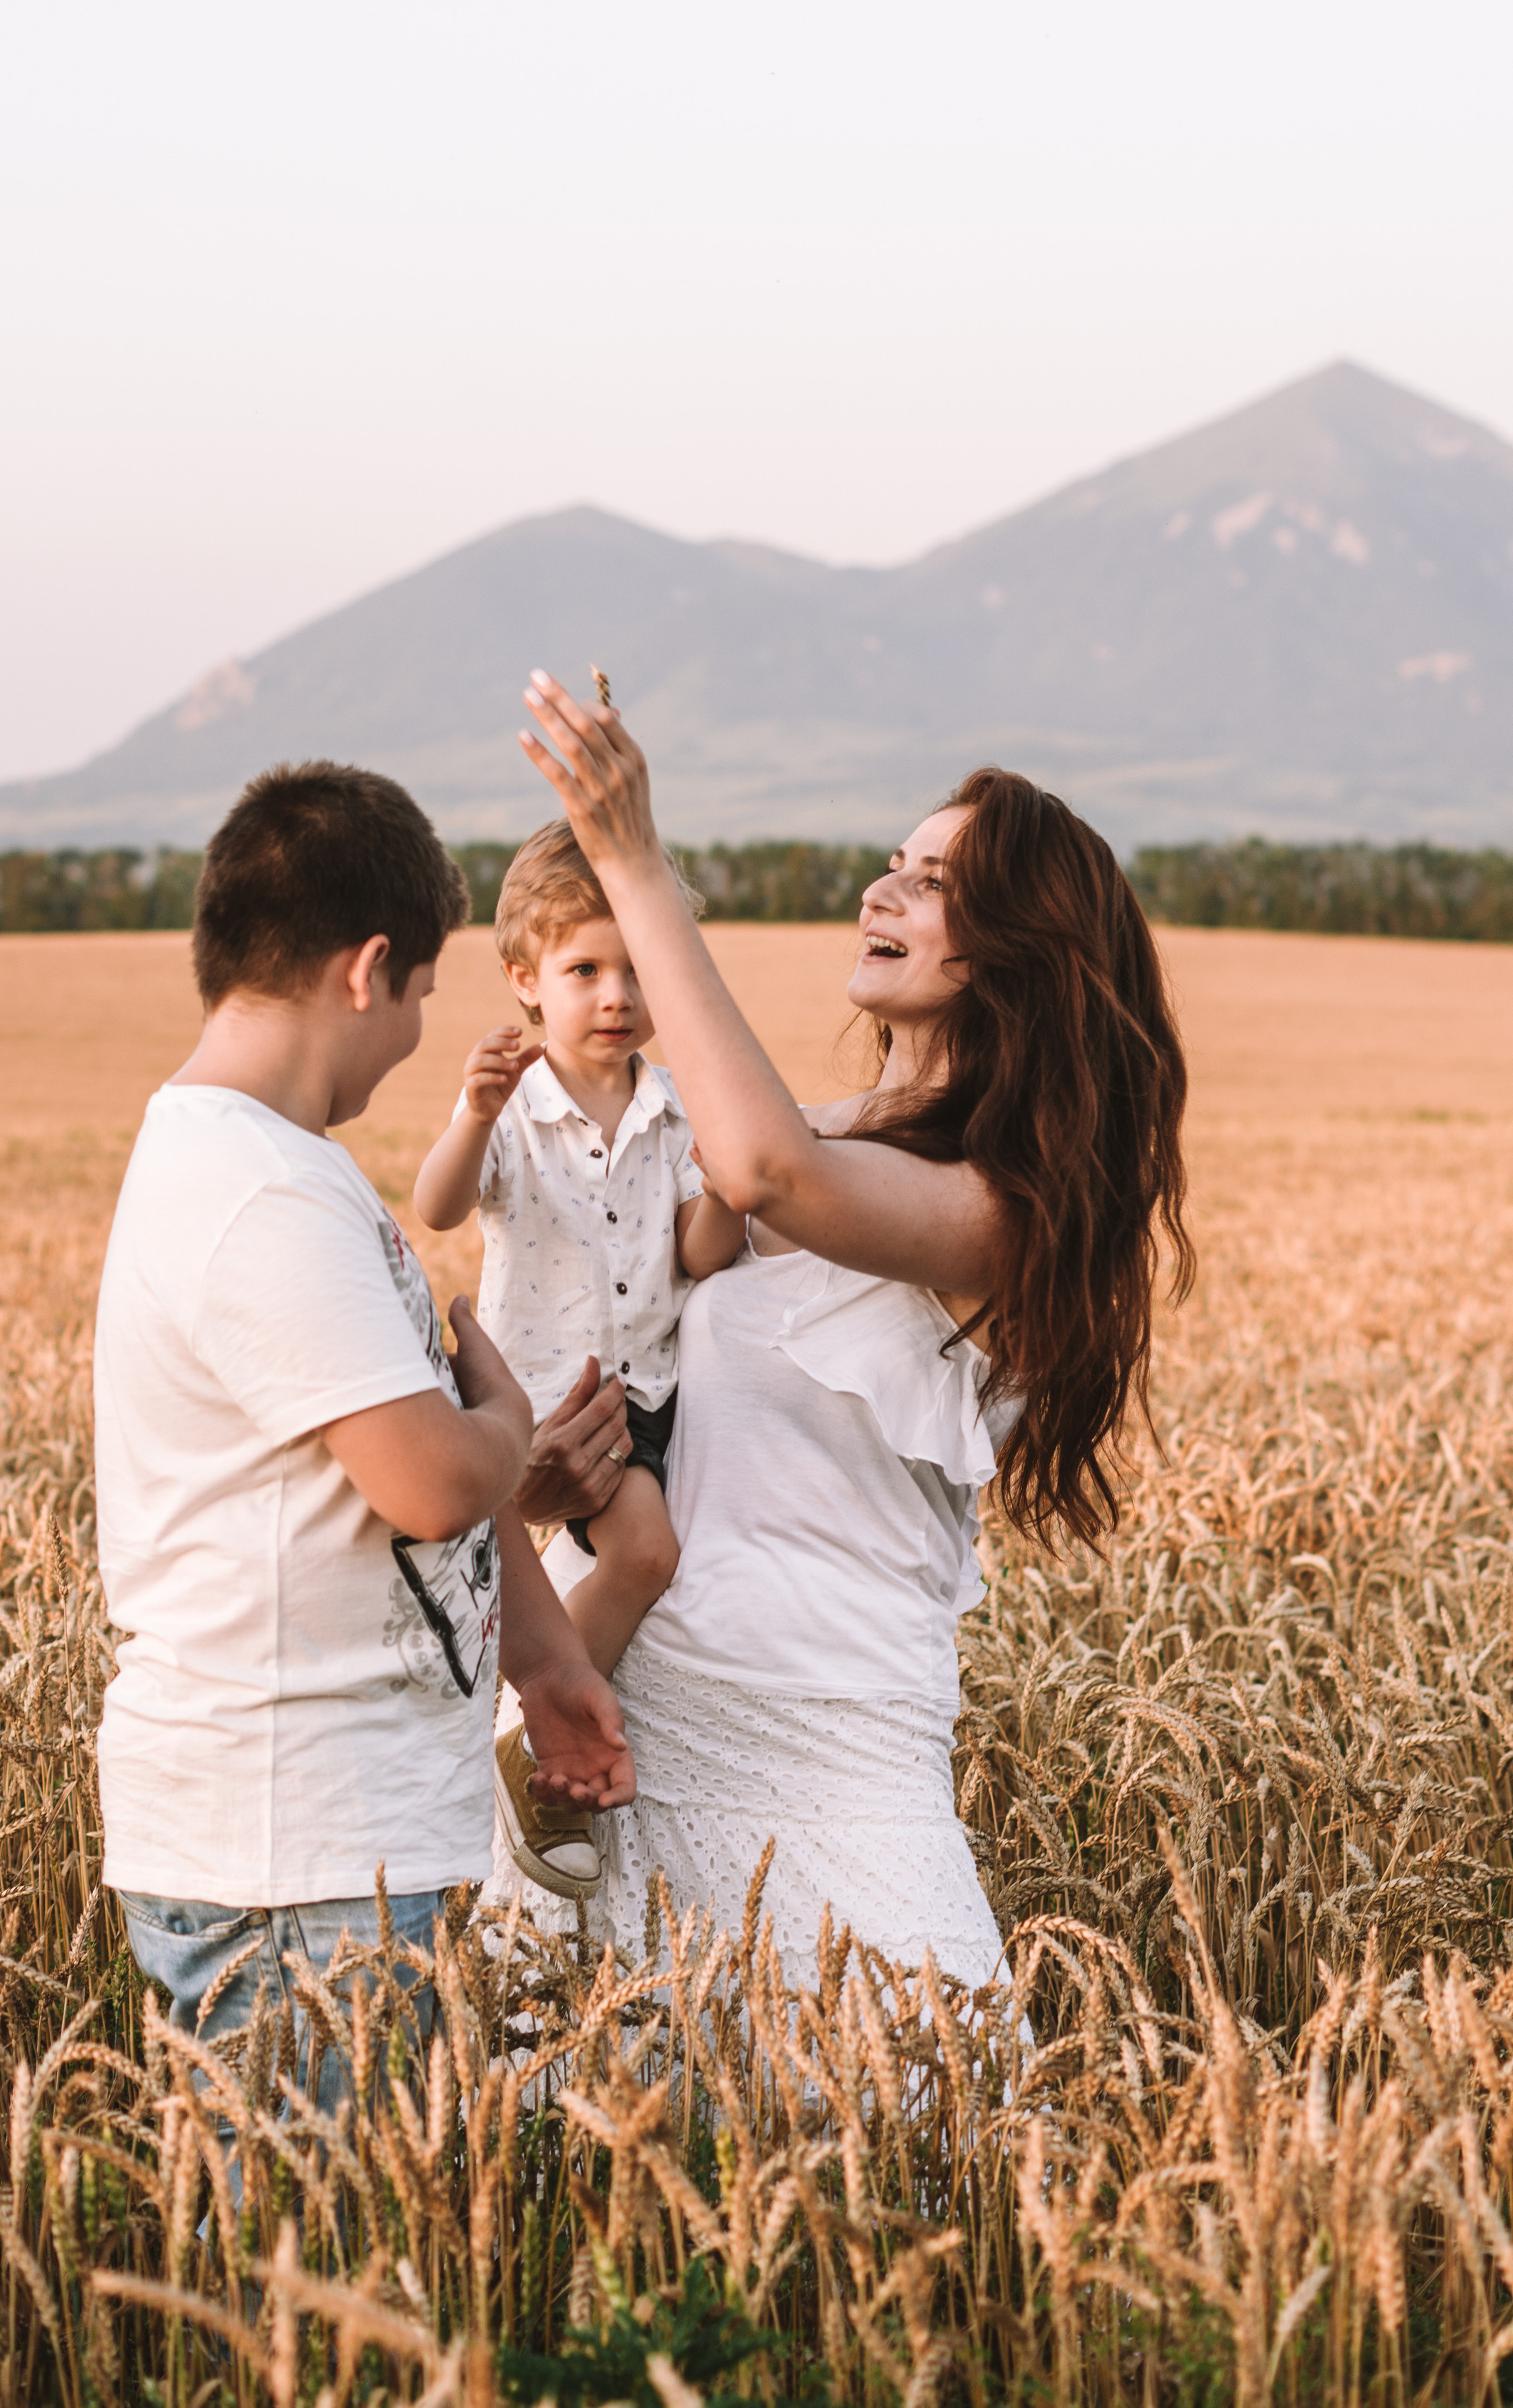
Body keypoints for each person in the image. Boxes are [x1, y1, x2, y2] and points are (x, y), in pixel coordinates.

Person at [503, 673, 1192, 1986]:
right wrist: (566, 1477)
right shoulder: (818, 1125)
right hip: (632, 1729)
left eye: (930, 883)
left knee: (935, 2151)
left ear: (1011, 946)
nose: (882, 894)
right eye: (892, 866)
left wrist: (629, 860)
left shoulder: (1008, 1207)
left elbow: (764, 1173)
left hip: (833, 1754)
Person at [93, 760, 634, 2082]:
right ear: (367, 967)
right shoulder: (258, 1195)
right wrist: (508, 1417)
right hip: (294, 1864)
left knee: (356, 2258)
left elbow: (391, 1495)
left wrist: (549, 1666)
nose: (412, 1037)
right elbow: (434, 1481)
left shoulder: (282, 1171)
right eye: (424, 995)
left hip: (339, 1846)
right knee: (313, 2271)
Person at [413, 821, 745, 1898]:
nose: (617, 995)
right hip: (525, 1396)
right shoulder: (515, 1107)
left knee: (646, 1554)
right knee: (465, 1584)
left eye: (639, 969)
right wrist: (471, 1111)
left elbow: (697, 1253)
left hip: (639, 1395)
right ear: (525, 981)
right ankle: (501, 1732)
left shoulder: (675, 1105)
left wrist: (736, 1184)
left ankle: (531, 1735)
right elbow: (438, 1205)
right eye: (585, 970)